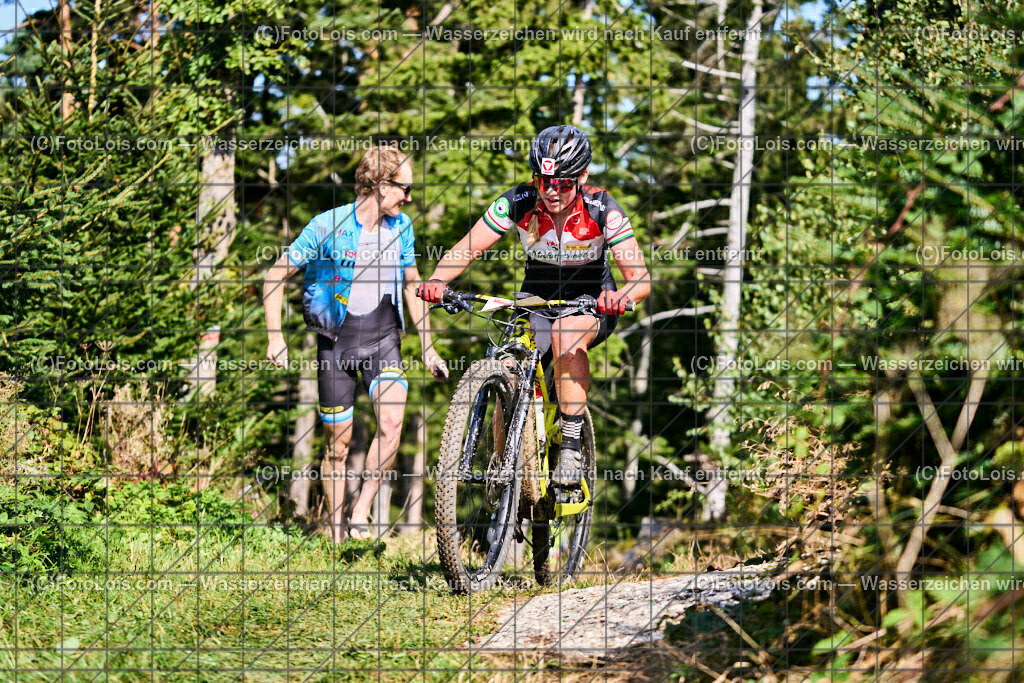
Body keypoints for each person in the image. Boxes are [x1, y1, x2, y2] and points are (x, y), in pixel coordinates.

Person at [418, 125, 651, 486]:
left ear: (583, 177)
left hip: (589, 299)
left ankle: (571, 448)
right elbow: (468, 246)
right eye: (544, 182)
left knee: (565, 333)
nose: (553, 192)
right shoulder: (519, 201)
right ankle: (505, 472)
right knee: (506, 366)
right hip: (535, 299)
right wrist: (437, 280)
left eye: (563, 184)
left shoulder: (603, 208)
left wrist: (622, 297)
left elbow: (640, 278)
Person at [263, 144, 448, 542]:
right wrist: (275, 336)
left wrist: (428, 346)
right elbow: (274, 275)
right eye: (404, 188)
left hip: (384, 338)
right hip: (336, 346)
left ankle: (362, 509)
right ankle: (335, 534)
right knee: (338, 447)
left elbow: (413, 282)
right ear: (381, 186)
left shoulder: (402, 227)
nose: (409, 197)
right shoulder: (327, 225)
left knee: (393, 421)